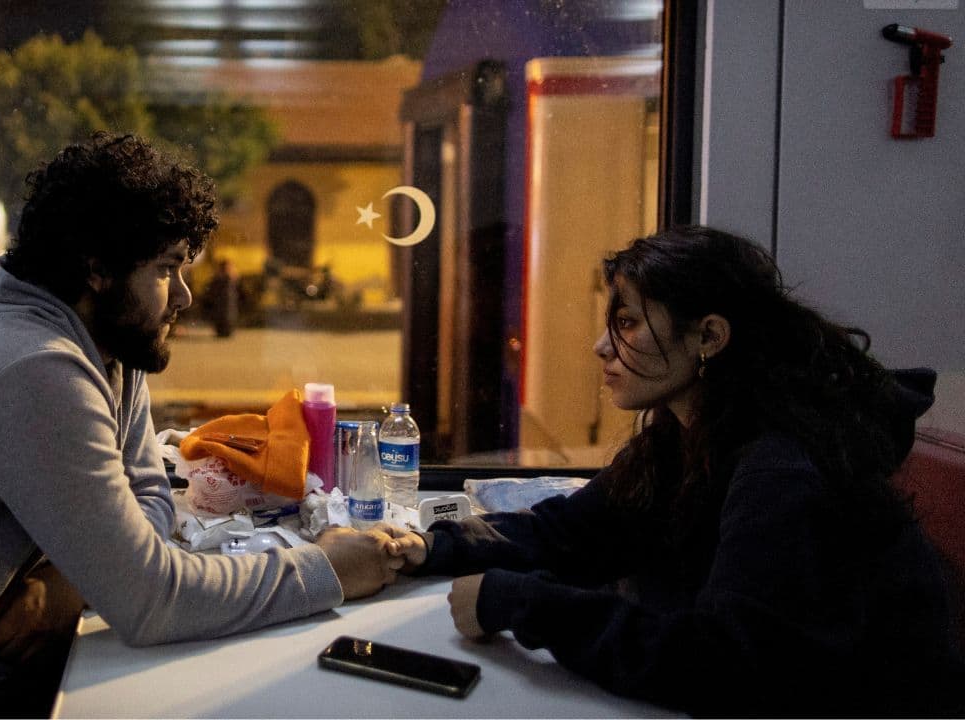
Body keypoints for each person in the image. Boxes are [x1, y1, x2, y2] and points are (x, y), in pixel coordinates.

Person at [0, 132, 403, 717]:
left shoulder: (106, 346)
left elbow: (147, 494)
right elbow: (151, 602)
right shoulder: (33, 370)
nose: (187, 297)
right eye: (168, 269)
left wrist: (74, 580)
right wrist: (328, 571)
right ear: (97, 268)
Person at [387, 226, 964, 716]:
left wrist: (519, 603)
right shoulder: (689, 433)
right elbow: (578, 530)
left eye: (628, 323)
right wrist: (425, 547)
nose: (601, 347)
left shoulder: (783, 468)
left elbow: (722, 665)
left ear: (709, 337)